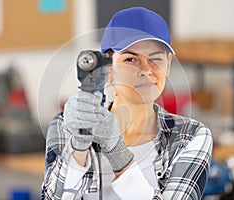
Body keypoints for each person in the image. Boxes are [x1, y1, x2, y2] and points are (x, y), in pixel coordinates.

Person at [41, 7, 213, 200]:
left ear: (168, 64)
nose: (146, 70)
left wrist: (117, 151)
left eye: (155, 58)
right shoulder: (66, 125)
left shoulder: (190, 137)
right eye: (130, 59)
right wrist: (78, 145)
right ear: (108, 69)